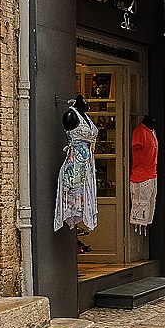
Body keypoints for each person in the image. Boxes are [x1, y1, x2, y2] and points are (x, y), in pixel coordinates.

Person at [54, 94, 99, 232]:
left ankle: (80, 219)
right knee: (75, 197)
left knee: (84, 195)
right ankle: (73, 218)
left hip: (87, 164)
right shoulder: (70, 115)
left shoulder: (86, 117)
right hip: (75, 164)